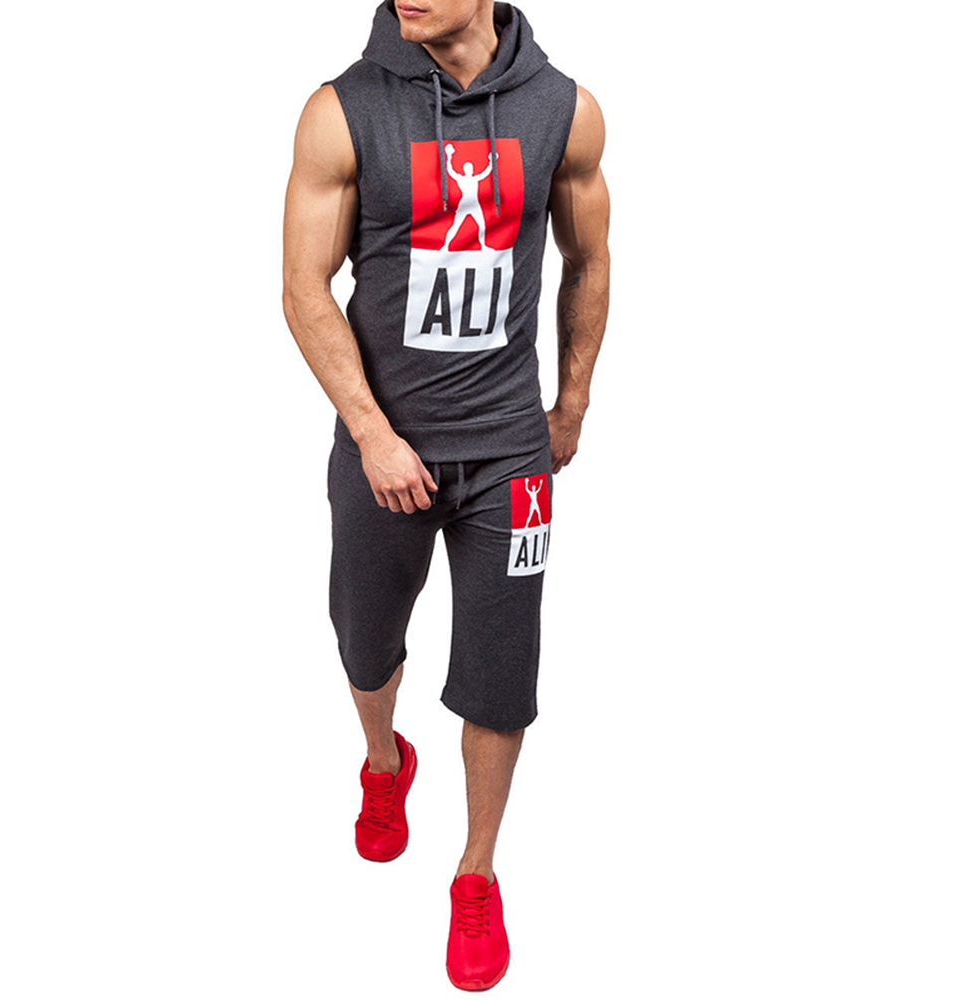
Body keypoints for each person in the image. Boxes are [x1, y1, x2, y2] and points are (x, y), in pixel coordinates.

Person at [282, 0, 609, 990]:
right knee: (364, 640)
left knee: (502, 668)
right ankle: (385, 762)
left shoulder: (564, 111)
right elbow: (303, 289)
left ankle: (476, 873)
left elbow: (590, 259)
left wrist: (571, 405)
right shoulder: (342, 111)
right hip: (384, 450)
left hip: (511, 457)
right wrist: (373, 435)